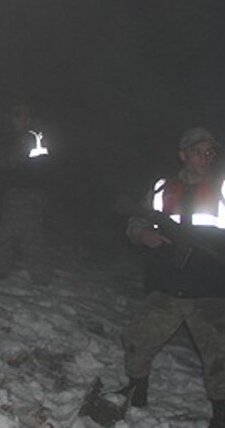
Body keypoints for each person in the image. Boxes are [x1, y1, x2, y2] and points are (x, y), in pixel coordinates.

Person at [122, 127, 225, 427]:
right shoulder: (162, 188)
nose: (205, 158)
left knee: (219, 356)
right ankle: (136, 393)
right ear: (183, 155)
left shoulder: (222, 189)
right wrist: (143, 234)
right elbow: (135, 224)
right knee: (138, 340)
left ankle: (221, 413)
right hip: (167, 286)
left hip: (210, 290)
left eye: (210, 153)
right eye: (198, 152)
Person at [0, 101, 53, 283]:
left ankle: (3, 273)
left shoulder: (28, 138)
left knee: (12, 234)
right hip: (31, 193)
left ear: (28, 119)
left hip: (24, 194)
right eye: (14, 116)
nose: (14, 121)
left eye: (18, 116)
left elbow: (11, 160)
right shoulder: (37, 136)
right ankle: (36, 275)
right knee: (28, 235)